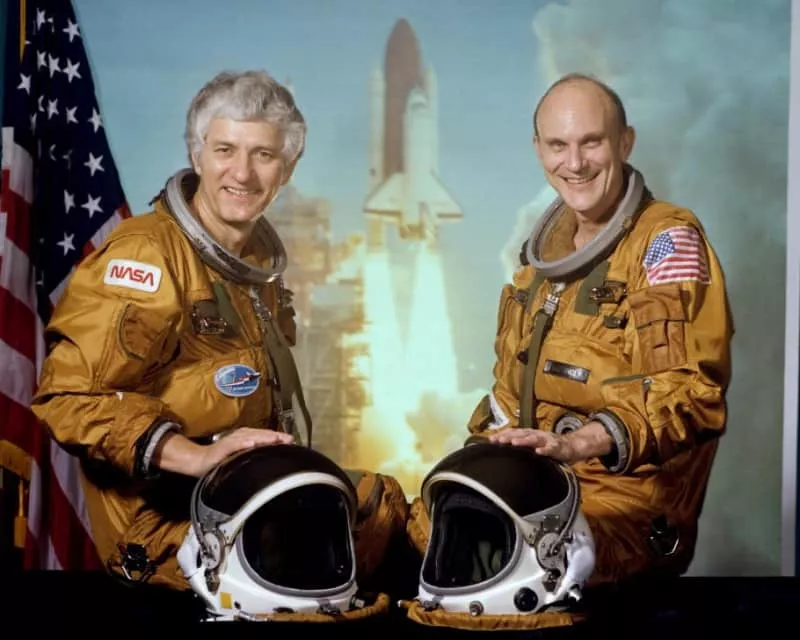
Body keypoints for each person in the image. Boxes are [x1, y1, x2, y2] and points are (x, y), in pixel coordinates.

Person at [30, 70, 408, 594]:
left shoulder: (252, 268)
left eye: (264, 155)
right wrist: (196, 455)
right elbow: (69, 398)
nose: (243, 173)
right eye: (225, 150)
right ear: (197, 154)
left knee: (382, 508)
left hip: (240, 495)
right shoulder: (149, 256)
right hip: (166, 526)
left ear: (288, 167)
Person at [409, 72, 733, 587]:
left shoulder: (666, 244)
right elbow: (506, 397)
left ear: (625, 142)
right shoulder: (540, 268)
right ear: (538, 149)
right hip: (538, 489)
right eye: (558, 145)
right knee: (406, 528)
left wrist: (582, 442)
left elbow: (691, 391)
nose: (575, 163)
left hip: (624, 509)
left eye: (592, 142)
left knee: (509, 562)